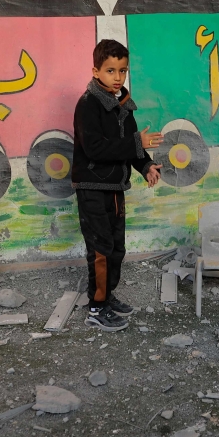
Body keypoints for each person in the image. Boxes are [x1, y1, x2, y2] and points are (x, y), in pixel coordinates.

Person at [73, 39, 163, 331]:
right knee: (100, 249)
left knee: (116, 248)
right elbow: (95, 149)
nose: (117, 77)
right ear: (95, 71)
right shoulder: (88, 105)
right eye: (110, 71)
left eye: (122, 71)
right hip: (92, 187)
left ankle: (107, 297)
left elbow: (132, 147)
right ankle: (96, 308)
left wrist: (146, 165)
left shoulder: (123, 104)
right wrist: (137, 143)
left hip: (114, 188)